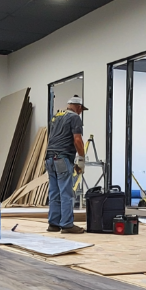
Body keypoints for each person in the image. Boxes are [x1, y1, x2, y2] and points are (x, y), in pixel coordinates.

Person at [45, 96, 87, 234]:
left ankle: (54, 224)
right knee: (66, 193)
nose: (80, 112)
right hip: (62, 158)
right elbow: (77, 140)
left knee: (54, 192)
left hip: (50, 158)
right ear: (79, 107)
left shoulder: (56, 116)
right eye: (81, 110)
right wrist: (81, 158)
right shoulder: (75, 117)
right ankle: (67, 225)